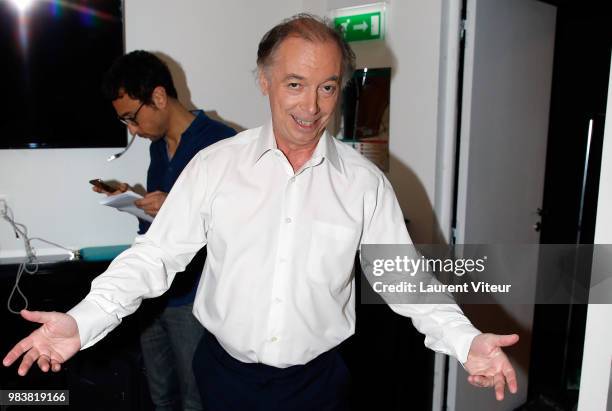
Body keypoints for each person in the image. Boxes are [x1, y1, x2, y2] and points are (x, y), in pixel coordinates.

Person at [3, 15, 518, 410]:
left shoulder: (365, 185)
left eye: (328, 86)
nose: (312, 106)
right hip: (225, 375)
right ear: (265, 82)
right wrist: (81, 321)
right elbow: (155, 257)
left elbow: (405, 282)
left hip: (318, 381)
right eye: (295, 83)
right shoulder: (215, 166)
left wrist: (466, 340)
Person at [94, 50, 235, 411]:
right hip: (154, 295)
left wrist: (172, 204)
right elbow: (164, 226)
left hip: (194, 297)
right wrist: (132, 202)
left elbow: (237, 221)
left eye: (132, 118)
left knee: (195, 398)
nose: (132, 130)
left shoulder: (220, 142)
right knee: (161, 397)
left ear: (158, 97)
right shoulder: (159, 149)